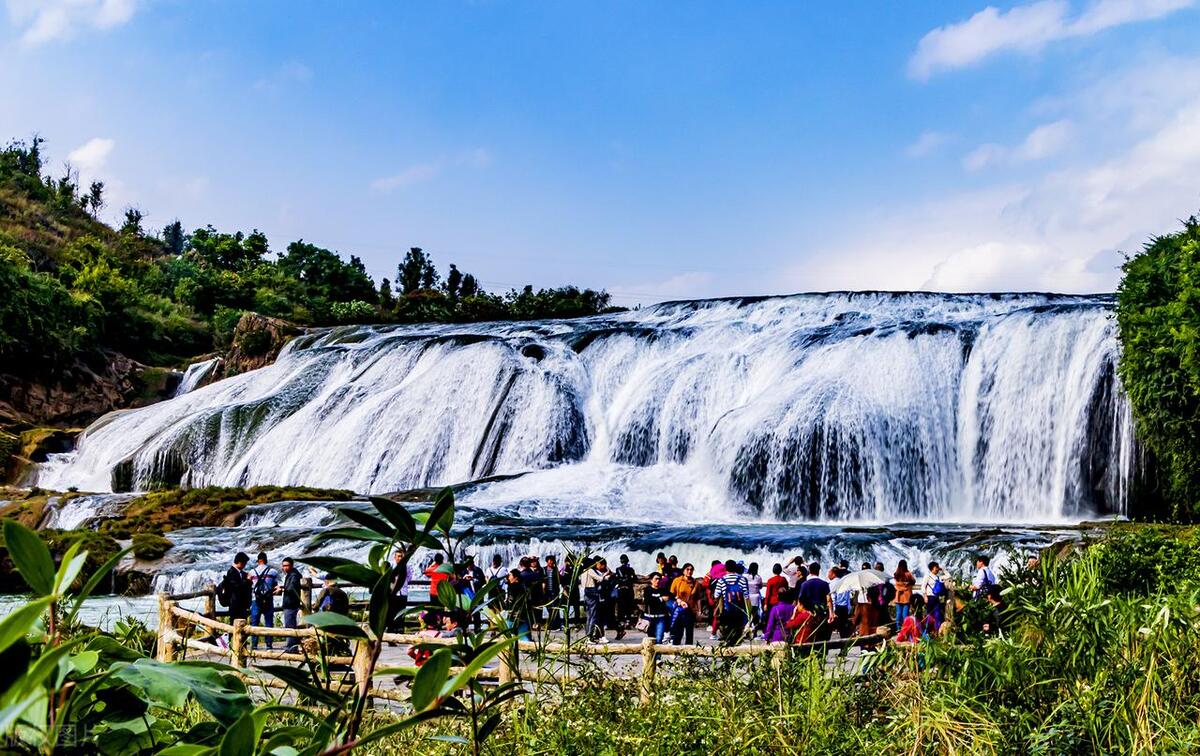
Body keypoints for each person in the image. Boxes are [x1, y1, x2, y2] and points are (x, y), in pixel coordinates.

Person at [711, 560, 751, 645]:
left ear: (725, 568)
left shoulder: (721, 580)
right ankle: (735, 656)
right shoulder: (743, 580)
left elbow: (716, 596)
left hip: (726, 612)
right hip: (739, 613)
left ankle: (728, 655)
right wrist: (748, 614)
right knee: (737, 637)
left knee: (727, 636)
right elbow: (747, 597)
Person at [249, 552, 278, 650]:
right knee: (269, 622)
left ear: (258, 561)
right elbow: (275, 585)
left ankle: (254, 645)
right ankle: (269, 645)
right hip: (268, 599)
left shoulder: (252, 572)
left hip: (255, 599)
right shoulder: (273, 571)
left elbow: (249, 584)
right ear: (266, 560)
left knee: (254, 623)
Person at [797, 562, 831, 642]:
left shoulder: (804, 585)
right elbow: (829, 600)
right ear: (818, 571)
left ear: (809, 571)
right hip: (821, 614)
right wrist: (831, 613)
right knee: (821, 635)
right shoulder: (825, 584)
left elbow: (800, 601)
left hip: (809, 614)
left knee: (810, 635)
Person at [278, 557, 302, 652]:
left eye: (287, 565)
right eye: (283, 566)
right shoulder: (291, 574)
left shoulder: (294, 575)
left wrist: (282, 589)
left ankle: (291, 647)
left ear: (291, 565)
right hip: (290, 603)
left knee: (290, 626)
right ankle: (291, 646)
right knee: (290, 625)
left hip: (291, 603)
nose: (285, 568)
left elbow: (292, 588)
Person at [219, 551, 253, 621]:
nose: (245, 565)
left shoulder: (241, 573)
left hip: (241, 604)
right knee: (235, 624)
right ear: (240, 562)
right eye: (245, 563)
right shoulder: (231, 572)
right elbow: (235, 587)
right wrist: (247, 581)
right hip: (235, 604)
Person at [642, 572, 671, 643]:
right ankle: (652, 654)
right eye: (656, 579)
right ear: (651, 580)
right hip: (649, 618)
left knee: (659, 638)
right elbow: (647, 601)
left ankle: (658, 654)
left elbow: (670, 597)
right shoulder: (647, 590)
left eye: (659, 579)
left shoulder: (663, 590)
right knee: (651, 639)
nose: (658, 581)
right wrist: (660, 599)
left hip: (660, 618)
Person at [920, 561, 950, 628]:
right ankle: (928, 629)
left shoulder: (938, 577)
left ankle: (937, 630)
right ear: (932, 568)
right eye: (936, 567)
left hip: (936, 597)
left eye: (937, 567)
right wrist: (925, 596)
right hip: (929, 597)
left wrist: (943, 569)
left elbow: (948, 576)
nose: (937, 569)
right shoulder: (927, 576)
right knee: (929, 614)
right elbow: (923, 586)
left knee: (937, 614)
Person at [388, 549, 411, 633]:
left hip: (403, 593)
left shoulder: (407, 567)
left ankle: (400, 633)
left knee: (401, 614)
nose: (399, 558)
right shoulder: (392, 567)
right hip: (394, 594)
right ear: (394, 557)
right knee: (392, 614)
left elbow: (409, 577)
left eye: (401, 556)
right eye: (398, 556)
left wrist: (403, 584)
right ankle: (391, 632)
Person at [828, 565, 853, 639]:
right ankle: (843, 647)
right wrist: (848, 609)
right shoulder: (844, 582)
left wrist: (833, 611)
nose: (828, 574)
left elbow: (833, 598)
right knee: (843, 630)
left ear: (833, 573)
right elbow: (848, 597)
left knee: (832, 629)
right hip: (845, 608)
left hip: (837, 608)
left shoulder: (832, 583)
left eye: (829, 572)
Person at [614, 554, 638, 628]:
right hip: (629, 589)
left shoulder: (618, 569)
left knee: (621, 606)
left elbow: (616, 579)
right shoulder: (630, 569)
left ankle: (621, 622)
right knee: (629, 606)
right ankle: (628, 621)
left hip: (621, 590)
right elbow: (635, 578)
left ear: (621, 561)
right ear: (627, 561)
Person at [893, 560, 916, 631]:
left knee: (898, 613)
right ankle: (905, 628)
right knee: (905, 613)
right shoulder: (908, 574)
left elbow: (896, 584)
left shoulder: (896, 574)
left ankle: (898, 628)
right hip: (907, 596)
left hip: (898, 596)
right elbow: (913, 581)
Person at [543, 554, 563, 630]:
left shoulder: (556, 570)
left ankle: (555, 625)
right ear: (547, 562)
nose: (551, 562)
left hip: (554, 592)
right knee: (549, 608)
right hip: (546, 593)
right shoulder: (543, 570)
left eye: (553, 561)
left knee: (555, 609)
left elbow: (559, 580)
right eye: (550, 561)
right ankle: (552, 624)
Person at [746, 562, 764, 627]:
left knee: (748, 613)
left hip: (748, 597)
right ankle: (755, 628)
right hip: (756, 597)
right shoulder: (758, 577)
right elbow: (761, 586)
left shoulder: (746, 577)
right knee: (755, 613)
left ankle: (748, 626)